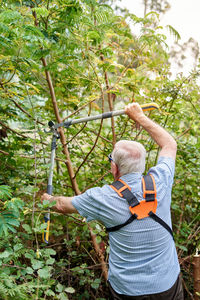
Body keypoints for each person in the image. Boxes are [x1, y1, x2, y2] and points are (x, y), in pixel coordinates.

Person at [42, 103, 184, 299]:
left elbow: (59, 205)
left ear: (114, 168)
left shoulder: (101, 198)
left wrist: (46, 199)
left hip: (128, 291)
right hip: (167, 285)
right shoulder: (161, 180)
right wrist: (139, 117)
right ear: (142, 164)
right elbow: (169, 144)